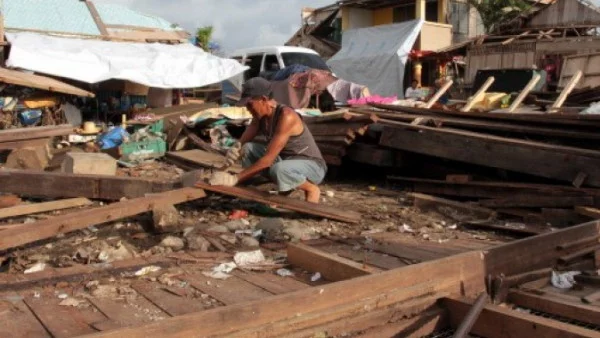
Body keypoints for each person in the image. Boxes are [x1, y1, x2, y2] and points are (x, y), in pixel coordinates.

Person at [208, 77, 327, 203]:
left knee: (279, 169)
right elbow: (247, 136)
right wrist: (235, 148)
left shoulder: (286, 116)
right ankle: (258, 186)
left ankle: (311, 188)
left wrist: (234, 179)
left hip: (312, 166)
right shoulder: (260, 116)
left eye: (250, 104)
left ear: (264, 99)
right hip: (286, 162)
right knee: (247, 149)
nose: (248, 109)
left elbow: (268, 160)